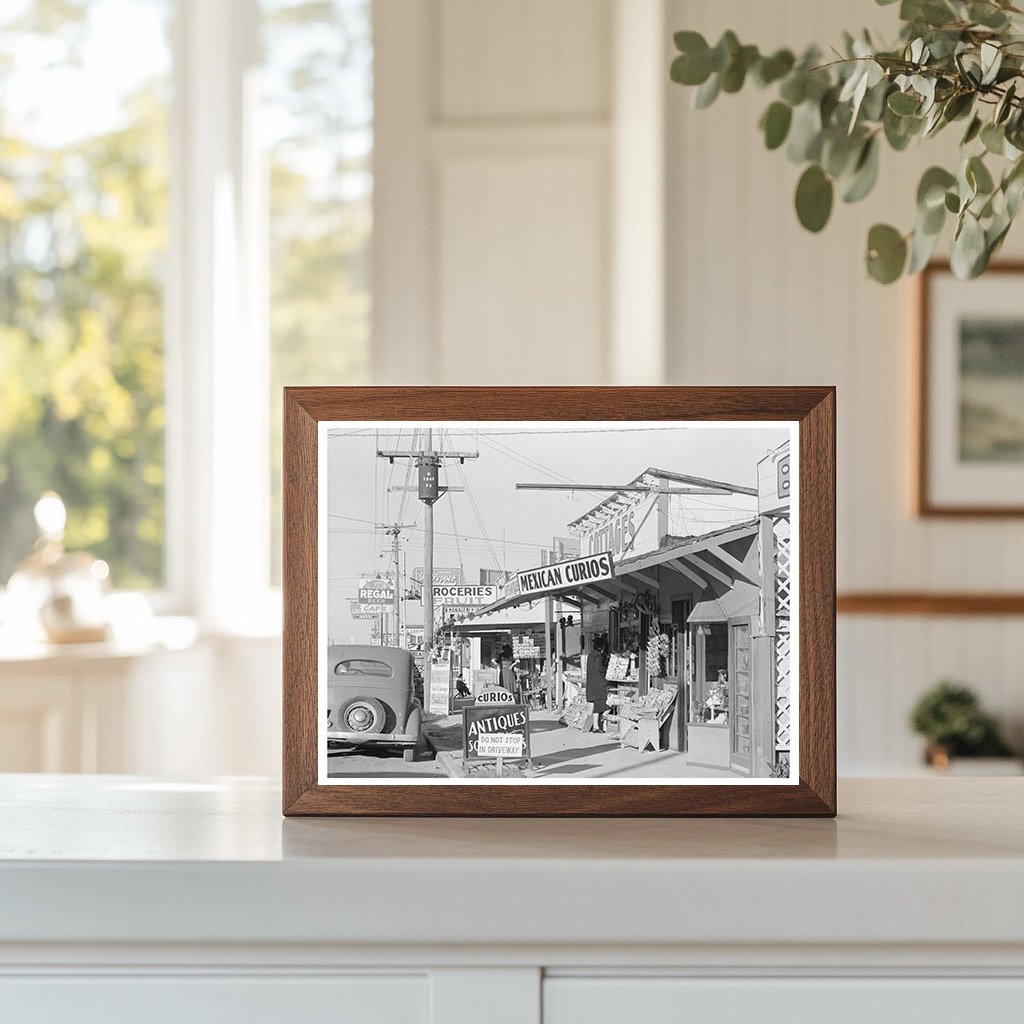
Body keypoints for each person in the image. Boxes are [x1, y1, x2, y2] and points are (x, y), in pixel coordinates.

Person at [585, 634, 610, 733]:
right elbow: (599, 668)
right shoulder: (598, 657)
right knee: (607, 704)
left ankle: (596, 726)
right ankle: (602, 720)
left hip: (592, 684)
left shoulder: (591, 655)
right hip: (599, 684)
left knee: (597, 706)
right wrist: (607, 669)